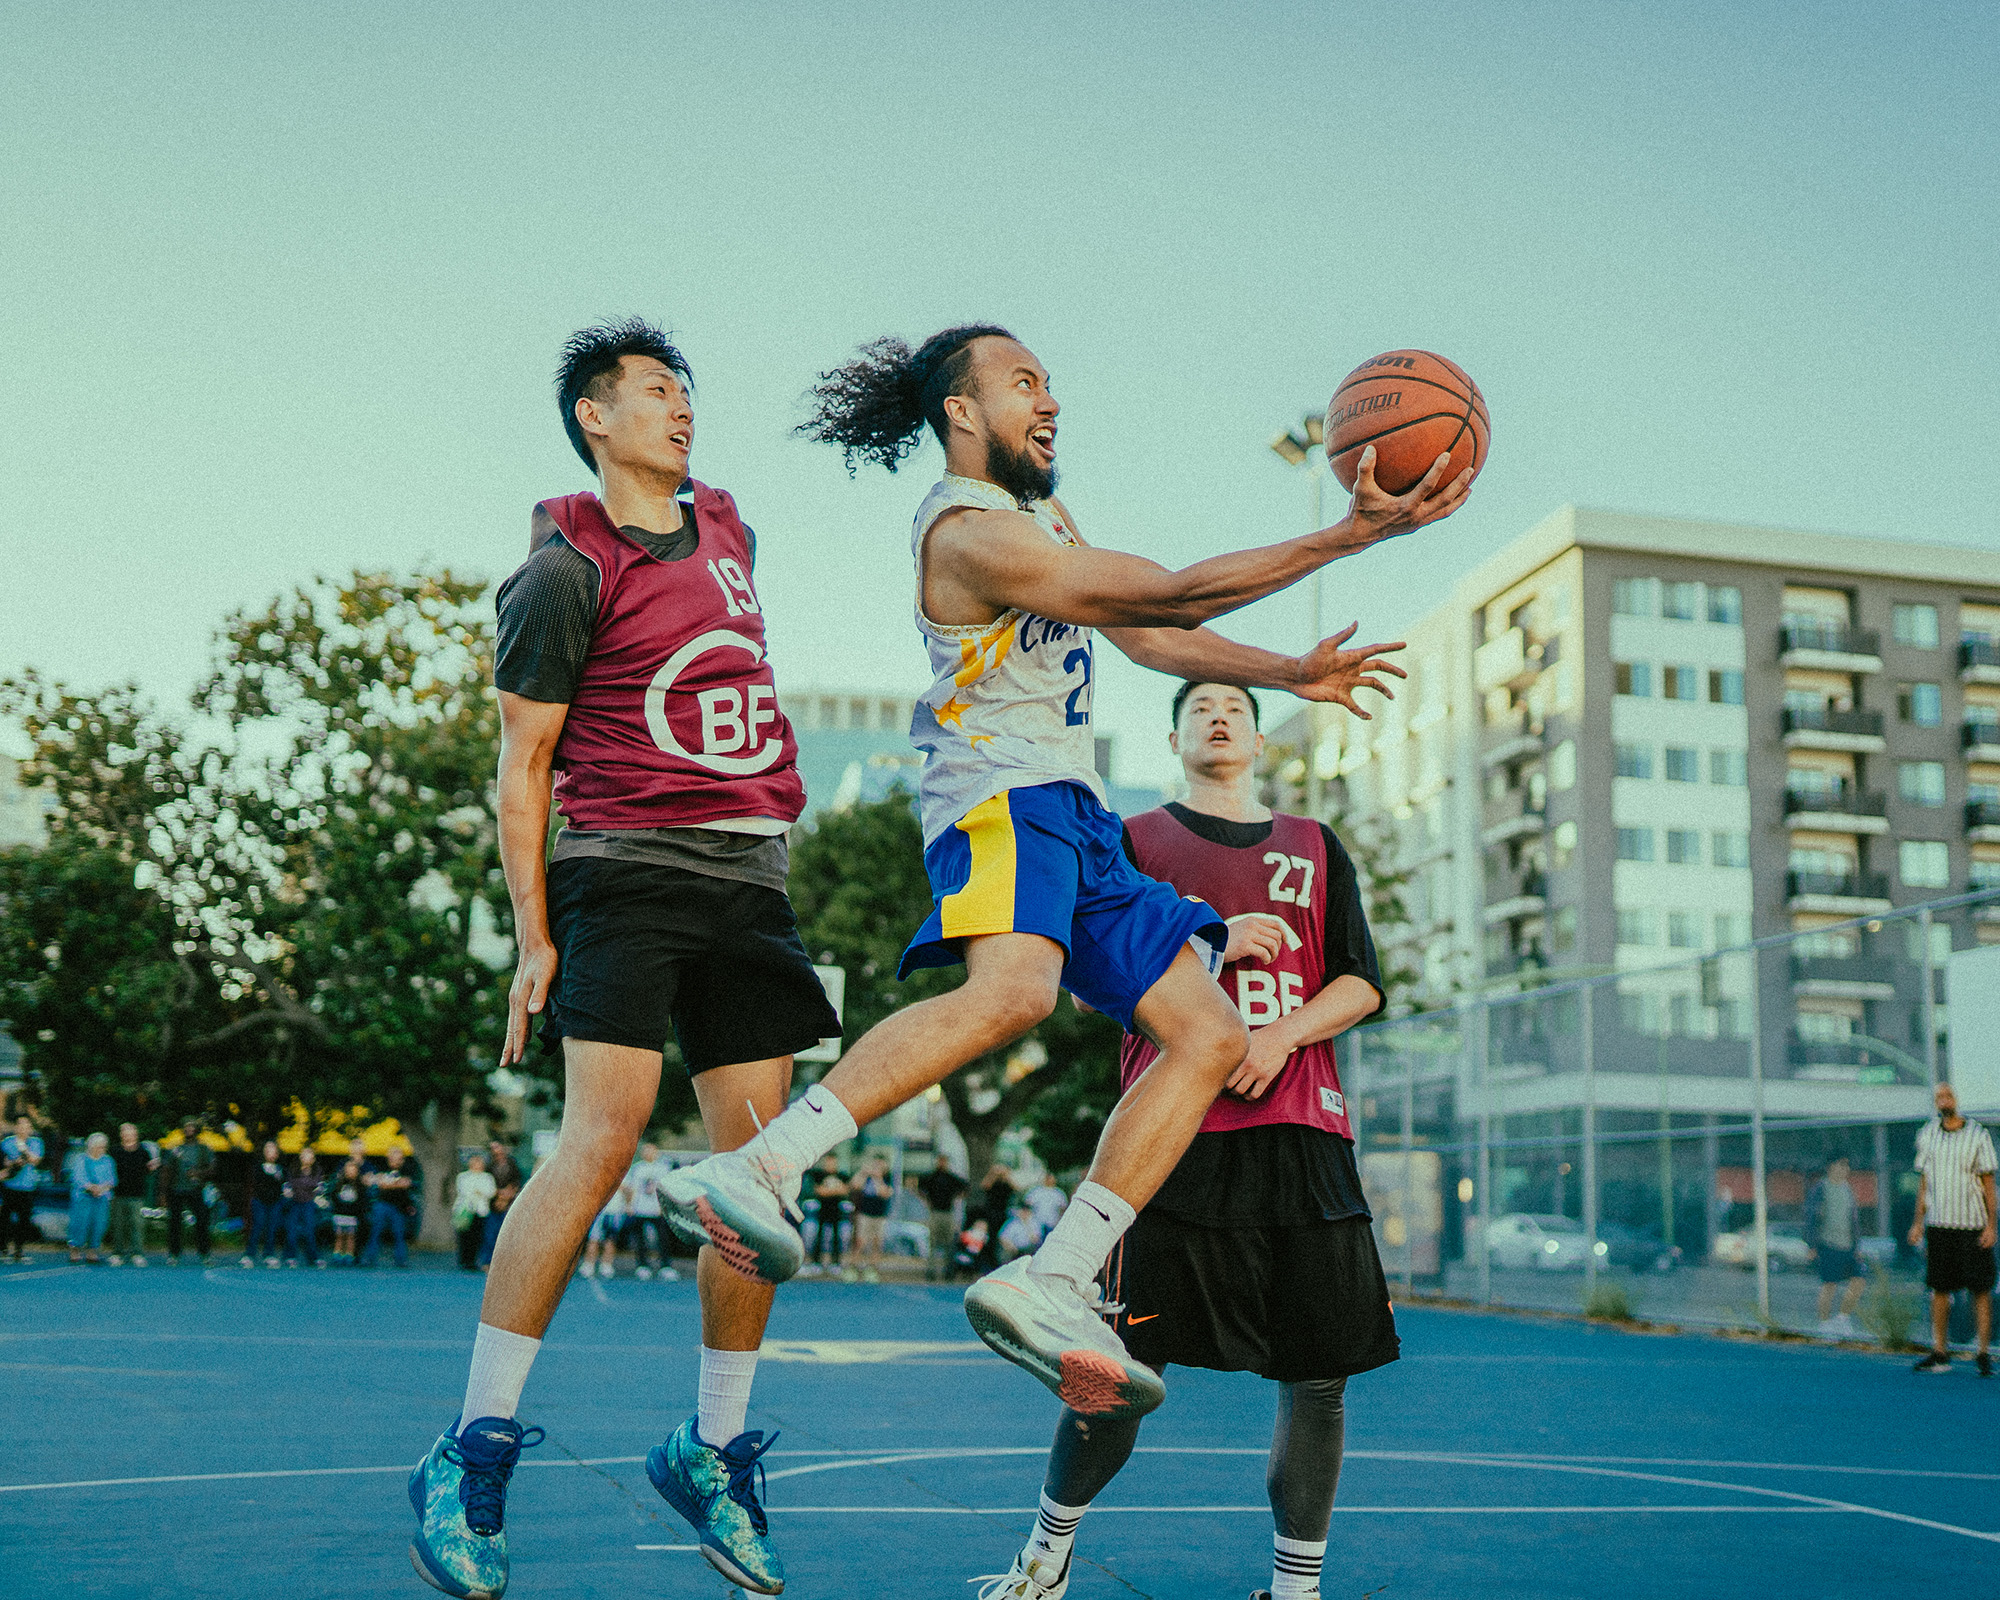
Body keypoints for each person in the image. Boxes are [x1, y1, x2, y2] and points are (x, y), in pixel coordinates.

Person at [658, 323, 1446, 1439]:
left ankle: (1056, 1274)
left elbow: (1153, 638)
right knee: (1014, 992)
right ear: (961, 412)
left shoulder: (1043, 521)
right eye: (1023, 382)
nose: (1050, 401)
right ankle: (757, 1167)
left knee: (1210, 1036)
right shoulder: (968, 532)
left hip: (1073, 814)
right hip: (999, 800)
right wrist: (1345, 535)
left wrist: (1288, 672)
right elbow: (1168, 593)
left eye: (1050, 383)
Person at [408, 320, 841, 1600]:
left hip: (748, 877)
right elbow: (520, 770)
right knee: (601, 1138)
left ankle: (710, 1450)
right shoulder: (557, 573)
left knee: (758, 1180)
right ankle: (472, 1444)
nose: (681, 406)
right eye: (654, 390)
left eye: (686, 389)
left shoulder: (731, 528)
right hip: (622, 870)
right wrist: (534, 935)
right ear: (594, 418)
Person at [978, 680, 1399, 1600]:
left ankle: (1295, 1590)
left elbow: (1360, 982)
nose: (1220, 716)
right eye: (1201, 705)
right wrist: (1203, 944)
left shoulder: (1316, 845)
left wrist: (1278, 1036)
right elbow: (1091, 984)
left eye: (1236, 708)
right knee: (1114, 1364)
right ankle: (1048, 1552)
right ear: (1173, 736)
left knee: (1319, 1375)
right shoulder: (1133, 841)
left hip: (1302, 1130)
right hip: (1171, 1136)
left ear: (1256, 737)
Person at [1907, 1080, 1997, 1376]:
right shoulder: (1928, 1134)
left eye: (1948, 1095)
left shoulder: (1977, 1135)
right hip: (1940, 1224)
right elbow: (1924, 1182)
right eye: (1939, 1097)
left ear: (1957, 1099)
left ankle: (1982, 1353)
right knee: (1940, 1289)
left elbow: (1988, 1184)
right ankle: (1940, 1351)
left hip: (1972, 1225)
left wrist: (1991, 1225)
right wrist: (1918, 1222)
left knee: (1980, 1289)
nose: (1943, 1101)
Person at [1806, 1157, 1866, 1336]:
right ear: (1831, 1166)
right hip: (1828, 1244)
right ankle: (1823, 1324)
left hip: (1848, 1245)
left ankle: (1842, 1319)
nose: (1845, 1169)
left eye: (1847, 1165)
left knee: (1859, 1280)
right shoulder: (1820, 1188)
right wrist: (1812, 1245)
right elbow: (1810, 1217)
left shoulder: (1848, 1189)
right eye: (1841, 1165)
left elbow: (1853, 1220)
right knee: (1829, 1285)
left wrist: (1857, 1246)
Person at [160, 1119, 216, 1266]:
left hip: (196, 1190)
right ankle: (174, 1254)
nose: (189, 1129)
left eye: (192, 1126)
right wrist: (163, 1193)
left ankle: (205, 1254)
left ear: (196, 1129)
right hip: (176, 1190)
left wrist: (198, 1173)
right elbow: (166, 1171)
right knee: (175, 1224)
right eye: (186, 1126)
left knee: (202, 1222)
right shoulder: (175, 1149)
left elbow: (212, 1168)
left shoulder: (204, 1149)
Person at [107, 1123, 157, 1266]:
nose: (128, 1135)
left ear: (136, 1135)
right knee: (117, 1225)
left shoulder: (143, 1151)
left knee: (137, 1225)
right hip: (118, 1193)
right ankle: (117, 1253)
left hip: (137, 1194)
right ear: (121, 1135)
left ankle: (137, 1253)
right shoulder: (115, 1151)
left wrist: (152, 1167)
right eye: (125, 1132)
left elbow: (148, 1170)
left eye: (131, 1133)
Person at [627, 1142, 677, 1281]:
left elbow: (666, 1189)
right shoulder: (637, 1168)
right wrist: (630, 1205)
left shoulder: (663, 1168)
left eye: (651, 1151)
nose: (648, 1153)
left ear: (656, 1152)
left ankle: (665, 1266)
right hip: (640, 1209)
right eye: (645, 1151)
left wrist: (664, 1206)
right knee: (640, 1239)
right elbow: (633, 1188)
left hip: (657, 1209)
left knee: (663, 1238)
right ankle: (642, 1266)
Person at [363, 1146, 420, 1268]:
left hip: (399, 1206)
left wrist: (387, 1183)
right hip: (382, 1204)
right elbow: (374, 1181)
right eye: (394, 1158)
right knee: (375, 1231)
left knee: (399, 1233)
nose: (397, 1161)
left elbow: (406, 1183)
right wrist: (393, 1183)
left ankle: (401, 1260)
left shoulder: (407, 1169)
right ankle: (369, 1258)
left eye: (399, 1158)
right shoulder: (381, 1167)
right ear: (389, 1158)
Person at [66, 1132, 116, 1264]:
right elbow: (77, 1177)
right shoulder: (81, 1159)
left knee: (99, 1224)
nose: (101, 1149)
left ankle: (92, 1250)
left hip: (102, 1198)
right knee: (79, 1224)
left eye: (103, 1147)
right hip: (83, 1197)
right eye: (98, 1146)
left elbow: (111, 1179)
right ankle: (75, 1249)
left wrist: (101, 1189)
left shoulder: (108, 1160)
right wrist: (91, 1188)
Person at [2, 1115, 46, 1262]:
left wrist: (24, 1149)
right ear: (16, 1127)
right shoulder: (7, 1143)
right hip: (10, 1185)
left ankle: (19, 1250)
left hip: (27, 1186)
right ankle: (3, 1248)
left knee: (24, 1219)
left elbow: (35, 1160)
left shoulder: (36, 1143)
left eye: (26, 1126)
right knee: (5, 1218)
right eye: (20, 1125)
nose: (23, 1129)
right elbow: (3, 1161)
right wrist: (11, 1163)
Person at [918, 1155, 969, 1283]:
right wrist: (927, 1201)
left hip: (948, 1212)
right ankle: (931, 1270)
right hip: (935, 1212)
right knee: (933, 1242)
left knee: (949, 1243)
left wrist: (957, 1199)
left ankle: (948, 1271)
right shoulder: (932, 1177)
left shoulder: (951, 1178)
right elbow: (920, 1187)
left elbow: (964, 1187)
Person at [802, 1154, 851, 1277]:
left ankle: (835, 1263)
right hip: (823, 1209)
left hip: (836, 1210)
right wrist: (834, 1191)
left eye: (832, 1162)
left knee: (836, 1237)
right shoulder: (819, 1175)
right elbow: (819, 1191)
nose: (830, 1165)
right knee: (819, 1236)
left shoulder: (842, 1175)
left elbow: (845, 1190)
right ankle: (816, 1262)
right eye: (828, 1162)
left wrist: (829, 1191)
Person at [580, 1168, 631, 1279]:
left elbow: (628, 1191)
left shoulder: (623, 1172)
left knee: (610, 1240)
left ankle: (606, 1265)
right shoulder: (599, 1171)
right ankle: (589, 1264)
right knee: (594, 1239)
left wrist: (627, 1202)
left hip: (615, 1211)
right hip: (600, 1211)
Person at [482, 1140, 523, 1269]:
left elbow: (517, 1181)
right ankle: (488, 1262)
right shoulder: (489, 1166)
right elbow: (486, 1183)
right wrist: (499, 1196)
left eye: (498, 1147)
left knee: (507, 1234)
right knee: (490, 1234)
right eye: (494, 1149)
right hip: (493, 1203)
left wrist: (508, 1195)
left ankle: (506, 1262)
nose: (497, 1151)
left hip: (510, 1203)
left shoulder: (512, 1164)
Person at [245, 1140, 287, 1269]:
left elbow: (283, 1186)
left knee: (272, 1228)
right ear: (264, 1152)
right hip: (260, 1202)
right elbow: (257, 1184)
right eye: (268, 1150)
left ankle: (269, 1254)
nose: (271, 1153)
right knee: (257, 1226)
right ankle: (249, 1255)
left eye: (273, 1150)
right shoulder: (258, 1167)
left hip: (275, 1203)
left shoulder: (281, 1169)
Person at [851, 1156, 894, 1281]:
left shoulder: (886, 1179)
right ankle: (853, 1266)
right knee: (860, 1241)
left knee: (877, 1242)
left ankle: (872, 1268)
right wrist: (863, 1172)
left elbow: (884, 1193)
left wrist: (878, 1178)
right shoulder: (866, 1178)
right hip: (865, 1214)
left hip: (879, 1216)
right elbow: (855, 1185)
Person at [454, 1153, 497, 1272]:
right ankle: (464, 1261)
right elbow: (464, 1191)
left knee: (477, 1237)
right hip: (466, 1210)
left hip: (481, 1210)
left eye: (479, 1162)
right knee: (465, 1236)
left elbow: (491, 1191)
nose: (477, 1165)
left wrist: (479, 1191)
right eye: (475, 1162)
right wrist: (478, 1192)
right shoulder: (463, 1176)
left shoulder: (487, 1177)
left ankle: (473, 1261)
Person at [284, 1148, 326, 1268]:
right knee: (292, 1231)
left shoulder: (317, 1171)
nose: (306, 1158)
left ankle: (313, 1257)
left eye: (309, 1156)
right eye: (304, 1155)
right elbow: (287, 1185)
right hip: (294, 1203)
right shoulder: (293, 1170)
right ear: (300, 1157)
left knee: (310, 1231)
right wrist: (288, 1191)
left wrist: (318, 1192)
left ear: (313, 1159)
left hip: (309, 1204)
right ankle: (290, 1257)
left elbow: (320, 1187)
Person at [329, 1155, 368, 1264]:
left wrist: (356, 1212)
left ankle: (349, 1255)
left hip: (352, 1216)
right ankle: (337, 1254)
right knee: (340, 1236)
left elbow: (362, 1201)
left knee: (351, 1236)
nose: (350, 1173)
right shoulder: (339, 1184)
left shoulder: (360, 1186)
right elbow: (334, 1197)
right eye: (348, 1170)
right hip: (340, 1214)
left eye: (353, 1170)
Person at [1022, 1174, 1068, 1239]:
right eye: (1048, 1178)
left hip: (1052, 1223)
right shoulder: (1036, 1191)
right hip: (1037, 1223)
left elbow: (1063, 1208)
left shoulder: (1059, 1193)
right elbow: (1027, 1205)